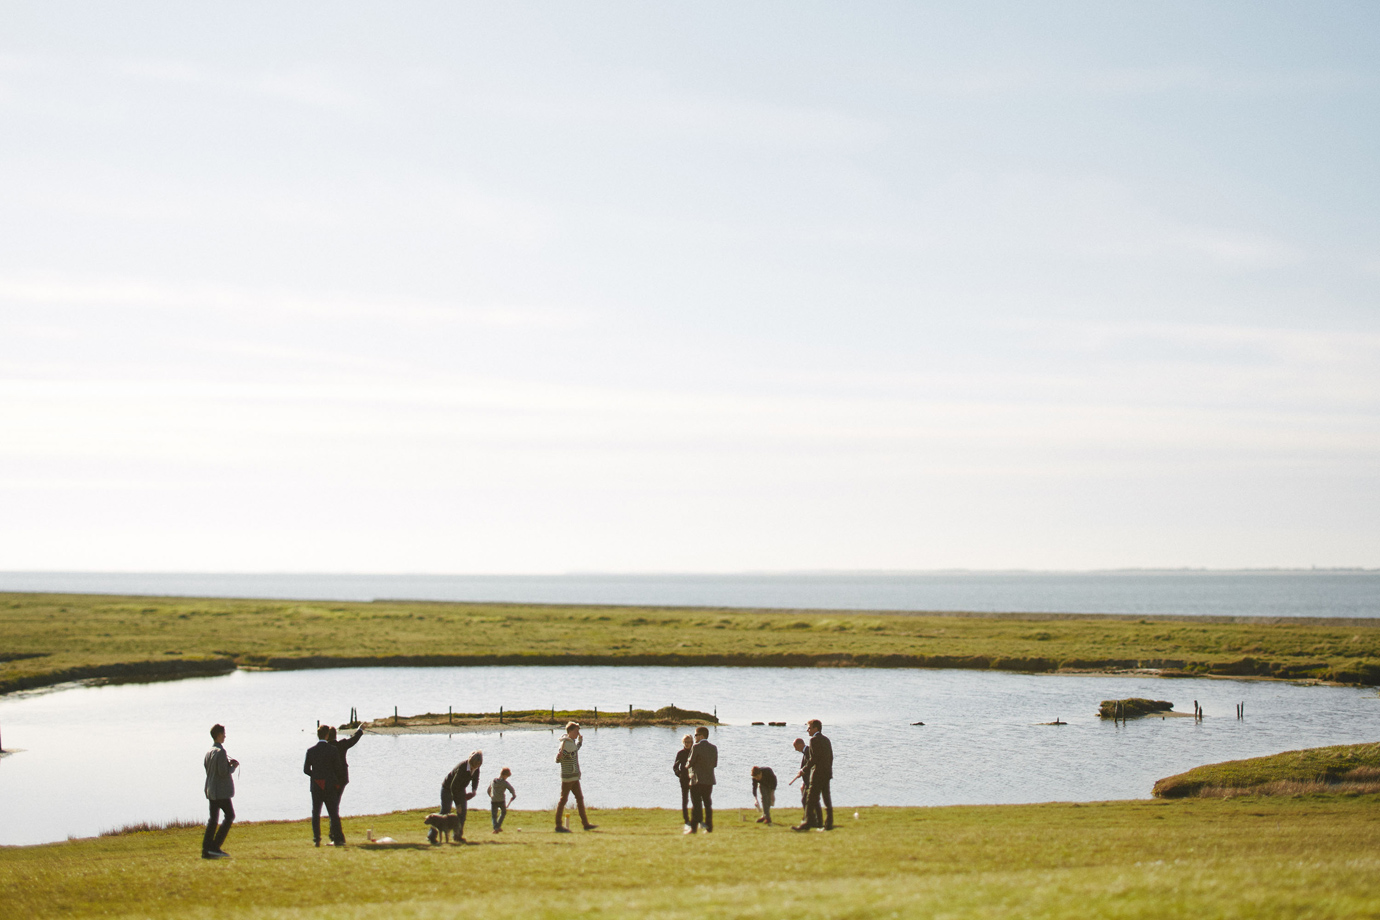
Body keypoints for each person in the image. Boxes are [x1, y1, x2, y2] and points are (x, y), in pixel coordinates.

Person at [304, 725, 345, 846]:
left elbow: (306, 770)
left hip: (316, 786)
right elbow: (338, 768)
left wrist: (315, 776)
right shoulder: (332, 750)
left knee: (316, 813)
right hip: (329, 785)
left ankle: (317, 839)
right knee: (333, 813)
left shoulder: (311, 751)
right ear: (327, 735)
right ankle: (337, 839)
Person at [202, 723, 238, 859]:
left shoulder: (209, 752)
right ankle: (215, 847)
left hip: (211, 790)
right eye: (223, 733)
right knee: (230, 816)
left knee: (213, 820)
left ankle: (206, 849)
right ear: (218, 735)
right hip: (221, 792)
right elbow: (223, 772)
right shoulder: (221, 752)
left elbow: (210, 769)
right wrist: (233, 766)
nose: (225, 736)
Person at [432, 750, 483, 844]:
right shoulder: (462, 767)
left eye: (477, 766)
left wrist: (474, 790)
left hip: (460, 789)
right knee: (445, 812)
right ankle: (431, 836)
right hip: (448, 789)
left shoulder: (477, 767)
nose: (475, 768)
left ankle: (457, 836)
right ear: (470, 761)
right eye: (473, 766)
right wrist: (458, 805)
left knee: (462, 814)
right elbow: (453, 787)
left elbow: (475, 779)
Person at [554, 721, 597, 832]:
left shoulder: (571, 742)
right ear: (570, 731)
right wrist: (558, 757)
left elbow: (574, 750)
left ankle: (585, 824)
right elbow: (559, 758)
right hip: (568, 777)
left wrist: (580, 742)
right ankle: (558, 825)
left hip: (574, 777)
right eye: (576, 731)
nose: (578, 733)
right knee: (563, 800)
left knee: (579, 799)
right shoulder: (565, 743)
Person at [796, 719, 834, 831]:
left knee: (810, 799)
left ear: (815, 728)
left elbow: (813, 759)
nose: (807, 730)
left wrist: (804, 770)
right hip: (826, 774)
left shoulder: (813, 740)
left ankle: (807, 823)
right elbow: (830, 757)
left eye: (809, 728)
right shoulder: (827, 740)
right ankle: (828, 825)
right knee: (827, 799)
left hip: (817, 775)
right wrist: (828, 770)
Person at [328, 723, 364, 820]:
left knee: (332, 803)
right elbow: (353, 740)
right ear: (335, 735)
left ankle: (334, 825)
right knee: (336, 803)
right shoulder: (342, 745)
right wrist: (359, 730)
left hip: (330, 779)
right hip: (341, 778)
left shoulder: (326, 748)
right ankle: (334, 825)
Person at [685, 726, 717, 834]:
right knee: (708, 804)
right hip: (709, 780)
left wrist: (687, 765)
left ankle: (693, 829)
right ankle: (709, 828)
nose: (694, 737)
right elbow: (715, 764)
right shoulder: (713, 748)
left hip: (697, 780)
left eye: (695, 735)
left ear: (701, 736)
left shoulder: (696, 747)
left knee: (696, 805)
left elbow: (691, 761)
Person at [672, 734, 693, 828]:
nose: (687, 744)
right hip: (684, 778)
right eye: (685, 742)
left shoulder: (695, 752)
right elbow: (675, 767)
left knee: (695, 799)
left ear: (692, 742)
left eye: (689, 742)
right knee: (685, 799)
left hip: (694, 778)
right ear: (683, 743)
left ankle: (695, 818)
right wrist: (679, 774)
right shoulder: (680, 753)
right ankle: (686, 819)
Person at [487, 767, 516, 833]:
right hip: (501, 800)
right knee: (503, 812)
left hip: (493, 800)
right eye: (507, 776)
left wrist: (491, 796)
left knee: (494, 815)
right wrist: (513, 795)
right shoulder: (505, 783)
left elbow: (488, 790)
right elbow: (511, 789)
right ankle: (497, 826)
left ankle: (496, 827)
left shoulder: (493, 781)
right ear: (504, 775)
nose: (507, 778)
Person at [789, 736, 810, 817]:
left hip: (810, 780)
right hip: (806, 780)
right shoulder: (805, 752)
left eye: (795, 747)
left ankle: (809, 817)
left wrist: (803, 771)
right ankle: (808, 816)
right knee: (805, 799)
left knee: (806, 800)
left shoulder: (808, 751)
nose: (795, 749)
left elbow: (810, 764)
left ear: (800, 744)